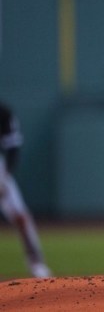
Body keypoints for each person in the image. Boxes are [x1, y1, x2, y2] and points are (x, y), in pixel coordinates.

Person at [0, 101, 53, 279]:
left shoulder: (3, 112)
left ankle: (36, 262)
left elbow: (13, 147)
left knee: (21, 216)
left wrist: (5, 178)